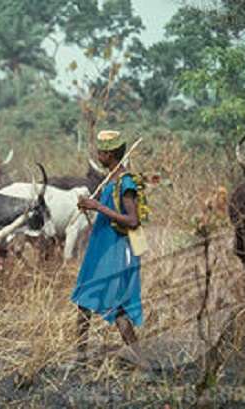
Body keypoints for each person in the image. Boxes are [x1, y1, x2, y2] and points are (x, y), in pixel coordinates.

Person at [71, 130, 145, 364]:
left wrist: (97, 207)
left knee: (117, 305)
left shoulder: (125, 182)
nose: (98, 155)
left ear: (110, 154)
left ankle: (142, 360)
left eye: (101, 152)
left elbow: (133, 220)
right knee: (84, 299)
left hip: (115, 250)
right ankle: (80, 355)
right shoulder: (109, 180)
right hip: (100, 249)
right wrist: (90, 207)